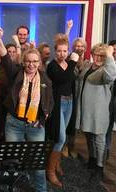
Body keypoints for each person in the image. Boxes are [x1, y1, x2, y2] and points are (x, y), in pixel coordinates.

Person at [0, 27, 54, 192]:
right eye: (28, 61)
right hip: (14, 123)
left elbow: (50, 103)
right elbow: (6, 58)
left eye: (35, 61)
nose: (31, 64)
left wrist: (42, 120)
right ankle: (16, 188)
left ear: (39, 63)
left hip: (35, 126)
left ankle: (41, 190)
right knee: (14, 161)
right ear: (23, 62)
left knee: (38, 163)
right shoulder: (17, 73)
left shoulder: (45, 80)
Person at [75, 44, 116, 181]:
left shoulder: (107, 70)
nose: (98, 58)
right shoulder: (88, 66)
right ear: (92, 54)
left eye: (102, 56)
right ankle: (92, 159)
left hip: (99, 111)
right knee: (88, 135)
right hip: (85, 109)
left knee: (99, 138)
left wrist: (109, 54)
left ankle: (99, 167)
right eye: (96, 54)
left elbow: (111, 75)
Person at [46, 34, 79, 188]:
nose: (62, 54)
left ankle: (57, 162)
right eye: (59, 51)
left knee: (63, 138)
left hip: (69, 102)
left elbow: (71, 83)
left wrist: (71, 63)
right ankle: (50, 171)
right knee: (60, 138)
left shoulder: (68, 64)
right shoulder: (52, 65)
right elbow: (63, 79)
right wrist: (73, 62)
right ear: (55, 51)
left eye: (65, 51)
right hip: (58, 103)